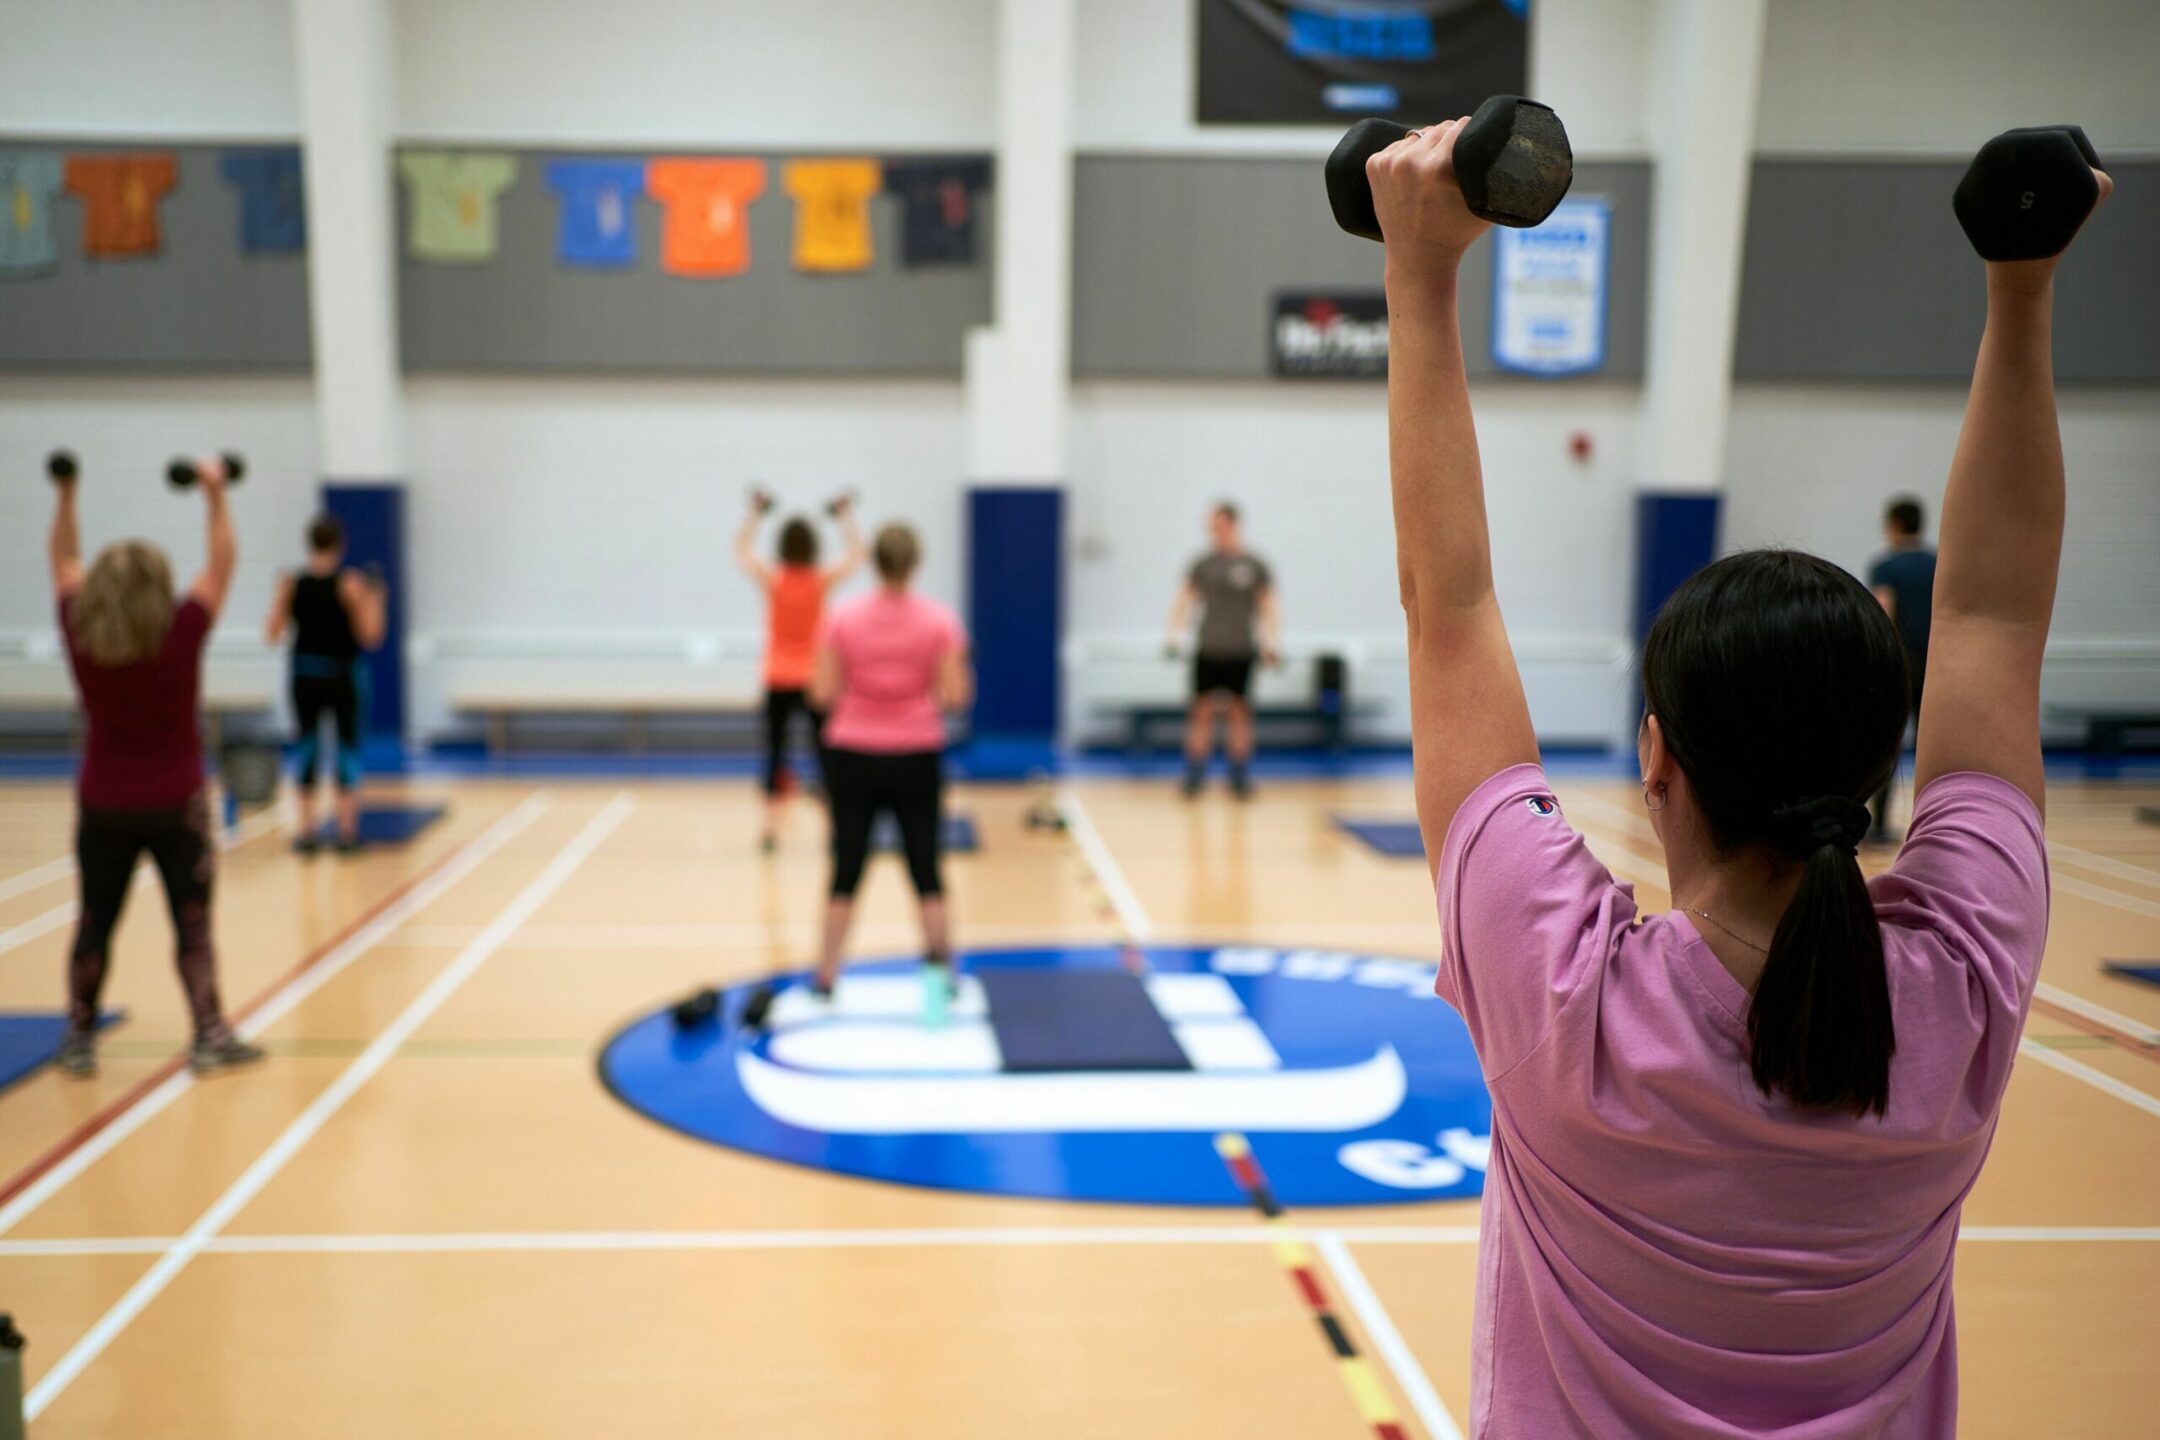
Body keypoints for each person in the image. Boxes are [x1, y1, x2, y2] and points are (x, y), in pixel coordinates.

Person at [1369, 117, 2104, 1436]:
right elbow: (1991, 620)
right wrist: (2025, 282)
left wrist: (1418, 279)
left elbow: (1451, 608)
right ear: (1883, 761)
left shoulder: (1567, 995)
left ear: (1657, 761)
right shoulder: (1957, 994)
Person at [46, 456, 263, 1077]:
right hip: (178, 805)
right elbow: (221, 564)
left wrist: (66, 493)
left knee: (95, 919)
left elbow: (62, 562)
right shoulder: (182, 630)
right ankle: (209, 1033)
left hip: (104, 804)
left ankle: (78, 1037)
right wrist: (215, 494)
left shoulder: (80, 631)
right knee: (192, 925)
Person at [808, 523, 972, 1018]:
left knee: (846, 867)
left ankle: (826, 977)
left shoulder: (843, 617)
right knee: (926, 866)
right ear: (914, 564)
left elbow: (820, 691)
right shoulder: (939, 621)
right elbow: (956, 696)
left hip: (852, 752)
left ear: (874, 562)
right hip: (916, 752)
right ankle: (943, 977)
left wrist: (867, 693)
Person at [735, 491, 863, 851]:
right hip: (814, 681)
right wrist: (844, 516)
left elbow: (742, 550)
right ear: (812, 546)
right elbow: (857, 555)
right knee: (825, 757)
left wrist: (754, 514)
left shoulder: (775, 579)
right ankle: (832, 832)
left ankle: (770, 831)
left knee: (775, 754)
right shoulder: (820, 579)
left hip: (778, 679)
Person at [264, 515, 387, 855]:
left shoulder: (293, 583)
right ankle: (347, 833)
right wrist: (375, 598)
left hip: (305, 676)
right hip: (340, 675)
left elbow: (271, 633)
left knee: (308, 748)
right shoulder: (349, 584)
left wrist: (280, 596)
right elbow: (371, 636)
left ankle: (307, 831)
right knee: (345, 749)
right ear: (340, 544)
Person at [1164, 502, 1279, 799]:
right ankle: (1195, 774)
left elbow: (1268, 606)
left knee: (1240, 712)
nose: (1215, 532)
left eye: (1220, 525)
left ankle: (1239, 776)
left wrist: (1270, 642)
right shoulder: (1203, 564)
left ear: (1233, 524)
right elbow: (1184, 600)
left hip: (1241, 649)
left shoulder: (1254, 564)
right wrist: (1174, 635)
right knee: (1200, 711)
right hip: (1209, 648)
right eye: (1211, 527)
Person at [1868, 496, 1939, 841]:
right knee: (1933, 748)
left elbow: (1884, 611)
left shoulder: (1886, 566)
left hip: (1901, 664)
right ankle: (1932, 828)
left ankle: (1879, 825)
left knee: (1887, 745)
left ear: (1894, 525)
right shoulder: (1939, 563)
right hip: (1938, 665)